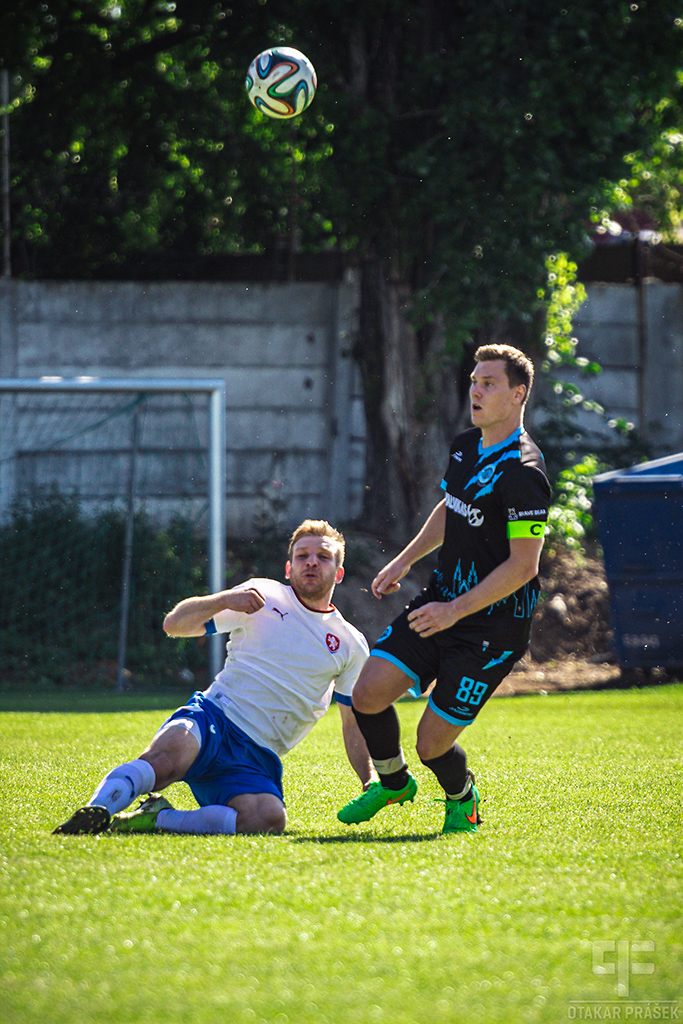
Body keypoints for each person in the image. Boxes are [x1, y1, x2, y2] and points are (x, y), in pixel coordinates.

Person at [337, 344, 550, 834]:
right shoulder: (464, 446)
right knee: (366, 693)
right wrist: (404, 559)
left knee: (430, 743)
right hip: (440, 603)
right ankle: (392, 784)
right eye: (474, 381)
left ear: (518, 395)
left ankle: (462, 795)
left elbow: (523, 566)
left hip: (492, 629)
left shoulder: (525, 473)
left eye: (489, 383)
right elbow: (451, 509)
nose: (475, 390)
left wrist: (456, 610)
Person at [54, 520, 373, 836]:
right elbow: (173, 625)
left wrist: (369, 777)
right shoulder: (262, 594)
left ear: (339, 572)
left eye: (323, 556)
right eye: (302, 555)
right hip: (213, 717)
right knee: (164, 763)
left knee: (268, 819)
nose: (312, 562)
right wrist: (223, 600)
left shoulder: (350, 643)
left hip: (256, 756)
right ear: (289, 568)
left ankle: (157, 819)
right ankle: (96, 811)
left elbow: (352, 723)